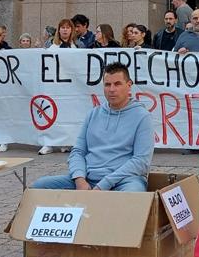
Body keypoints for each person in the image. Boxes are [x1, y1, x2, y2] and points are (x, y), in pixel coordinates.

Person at [31, 62, 153, 191]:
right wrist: (79, 179)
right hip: (88, 179)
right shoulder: (93, 114)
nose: (112, 89)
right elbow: (78, 151)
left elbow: (141, 161)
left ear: (129, 86)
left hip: (124, 181)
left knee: (132, 195)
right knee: (40, 186)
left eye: (117, 84)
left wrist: (103, 185)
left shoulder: (142, 116)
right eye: (107, 84)